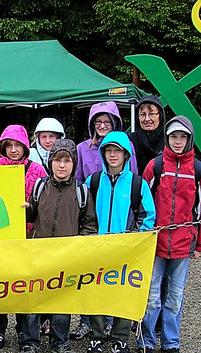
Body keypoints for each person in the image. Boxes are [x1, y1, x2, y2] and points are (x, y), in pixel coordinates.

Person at [137, 116, 201, 353]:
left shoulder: (199, 171)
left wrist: (200, 243)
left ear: (189, 139)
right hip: (156, 243)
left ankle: (171, 342)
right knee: (151, 294)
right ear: (167, 138)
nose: (178, 141)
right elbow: (142, 202)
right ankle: (146, 340)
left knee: (175, 295)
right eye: (173, 137)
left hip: (182, 243)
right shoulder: (155, 166)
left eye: (183, 137)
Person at [22, 138, 97, 353]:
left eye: (66, 160)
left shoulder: (81, 191)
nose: (61, 165)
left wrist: (76, 246)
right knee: (32, 299)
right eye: (57, 160)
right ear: (50, 162)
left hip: (66, 256)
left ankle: (60, 341)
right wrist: (25, 209)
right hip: (38, 252)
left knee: (62, 301)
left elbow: (90, 224)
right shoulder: (39, 186)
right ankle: (29, 342)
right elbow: (29, 217)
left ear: (74, 163)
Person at [84, 131, 156, 353]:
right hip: (97, 248)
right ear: (103, 153)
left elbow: (148, 217)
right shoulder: (93, 181)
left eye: (117, 150)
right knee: (95, 292)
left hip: (126, 250)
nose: (112, 154)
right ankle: (96, 336)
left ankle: (120, 338)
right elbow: (82, 210)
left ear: (126, 154)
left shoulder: (137, 183)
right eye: (108, 150)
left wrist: (135, 239)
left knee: (123, 293)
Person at [71, 101, 137, 340]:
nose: (102, 125)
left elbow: (134, 186)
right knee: (91, 278)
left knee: (115, 278)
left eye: (107, 122)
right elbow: (78, 184)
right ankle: (88, 322)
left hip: (118, 224)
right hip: (94, 221)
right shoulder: (81, 148)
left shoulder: (127, 146)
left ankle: (111, 322)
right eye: (98, 122)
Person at [0, 125, 47, 350]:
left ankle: (25, 330)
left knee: (25, 284)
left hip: (27, 234)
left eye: (17, 145)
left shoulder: (37, 170)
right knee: (0, 283)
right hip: (1, 233)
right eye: (9, 145)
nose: (13, 150)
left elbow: (44, 201)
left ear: (25, 146)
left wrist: (30, 207)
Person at [128, 95, 166, 176]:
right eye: (143, 115)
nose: (147, 119)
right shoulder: (130, 140)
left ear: (160, 116)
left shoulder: (168, 141)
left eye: (152, 114)